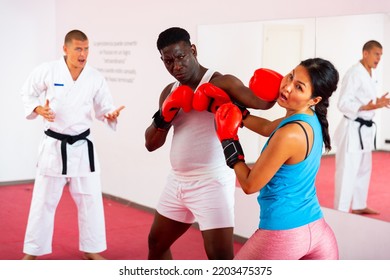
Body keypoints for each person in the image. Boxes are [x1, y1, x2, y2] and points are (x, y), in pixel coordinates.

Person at [144, 27, 277, 260]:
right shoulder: (169, 91)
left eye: (181, 57)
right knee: (156, 244)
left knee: (220, 259)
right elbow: (151, 144)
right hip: (176, 182)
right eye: (168, 61)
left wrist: (279, 87)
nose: (176, 67)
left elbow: (261, 103)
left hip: (211, 183)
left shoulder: (222, 82)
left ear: (193, 50)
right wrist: (163, 116)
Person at [214, 58, 339, 259]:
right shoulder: (308, 117)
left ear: (314, 99)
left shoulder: (289, 134)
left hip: (284, 233)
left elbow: (249, 184)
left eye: (298, 87)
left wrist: (228, 140)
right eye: (290, 76)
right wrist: (237, 112)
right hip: (317, 230)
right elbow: (266, 128)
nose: (287, 87)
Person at [20, 30, 124, 260]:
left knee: (91, 199)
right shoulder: (48, 70)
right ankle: (32, 252)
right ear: (65, 49)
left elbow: (104, 107)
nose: (83, 54)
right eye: (78, 48)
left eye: (86, 49)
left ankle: (91, 249)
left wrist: (110, 115)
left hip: (82, 146)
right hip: (54, 146)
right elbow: (27, 92)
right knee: (43, 201)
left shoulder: (95, 77)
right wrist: (39, 109)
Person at [334, 40, 390, 215]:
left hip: (365, 130)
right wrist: (366, 107)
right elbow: (342, 103)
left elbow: (366, 100)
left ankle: (358, 204)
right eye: (376, 54)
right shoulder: (354, 73)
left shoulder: (370, 73)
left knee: (364, 168)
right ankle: (340, 211)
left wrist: (376, 103)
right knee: (347, 171)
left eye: (381, 55)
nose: (378, 58)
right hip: (352, 128)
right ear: (365, 53)